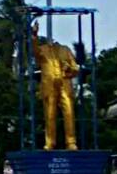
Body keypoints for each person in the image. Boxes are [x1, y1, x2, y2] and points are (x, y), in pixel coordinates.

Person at [32, 21, 79, 150]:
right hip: (49, 85)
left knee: (69, 112)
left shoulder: (65, 50)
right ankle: (50, 143)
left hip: (64, 83)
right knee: (50, 114)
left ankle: (71, 142)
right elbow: (35, 51)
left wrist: (69, 68)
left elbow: (76, 68)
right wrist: (34, 36)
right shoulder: (43, 50)